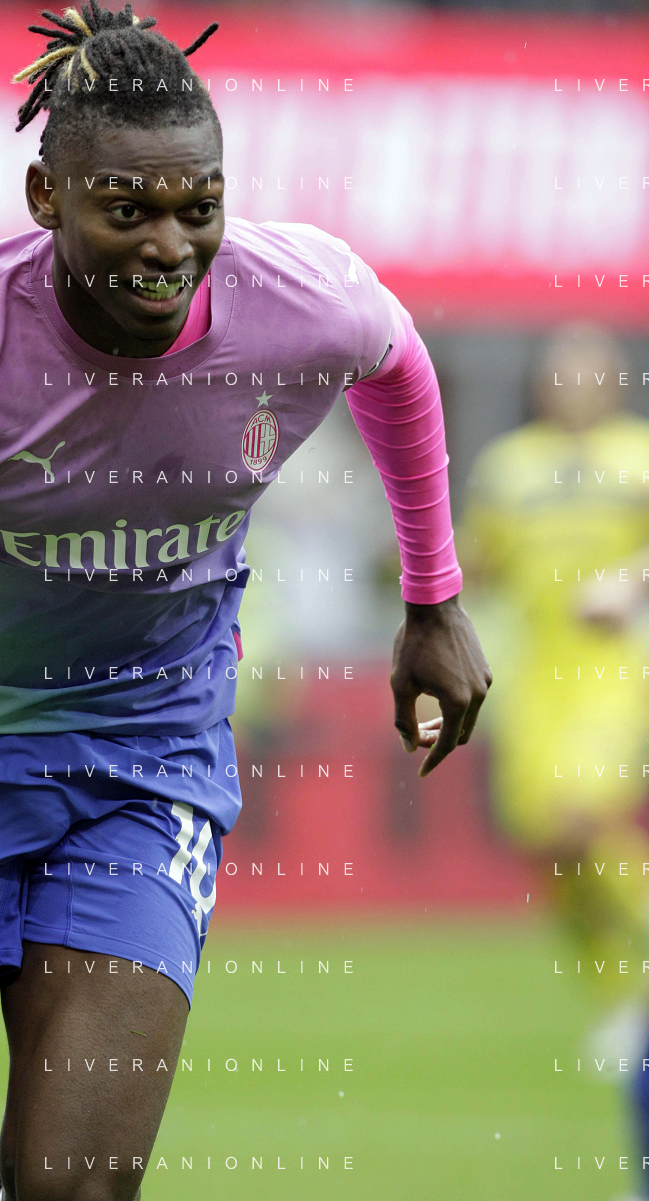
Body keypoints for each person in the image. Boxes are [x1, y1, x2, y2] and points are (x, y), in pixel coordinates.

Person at [0, 5, 490, 1200]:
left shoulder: (301, 300)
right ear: (46, 197)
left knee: (77, 1184)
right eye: (126, 210)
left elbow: (396, 362)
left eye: (198, 207)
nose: (168, 245)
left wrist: (430, 600)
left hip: (145, 760)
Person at [460, 322, 649, 1201]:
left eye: (589, 373)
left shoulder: (638, 455)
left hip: (614, 668)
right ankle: (619, 999)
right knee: (549, 842)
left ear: (613, 382)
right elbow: (483, 561)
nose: (574, 386)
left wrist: (632, 582)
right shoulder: (511, 467)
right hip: (537, 670)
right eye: (561, 373)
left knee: (581, 814)